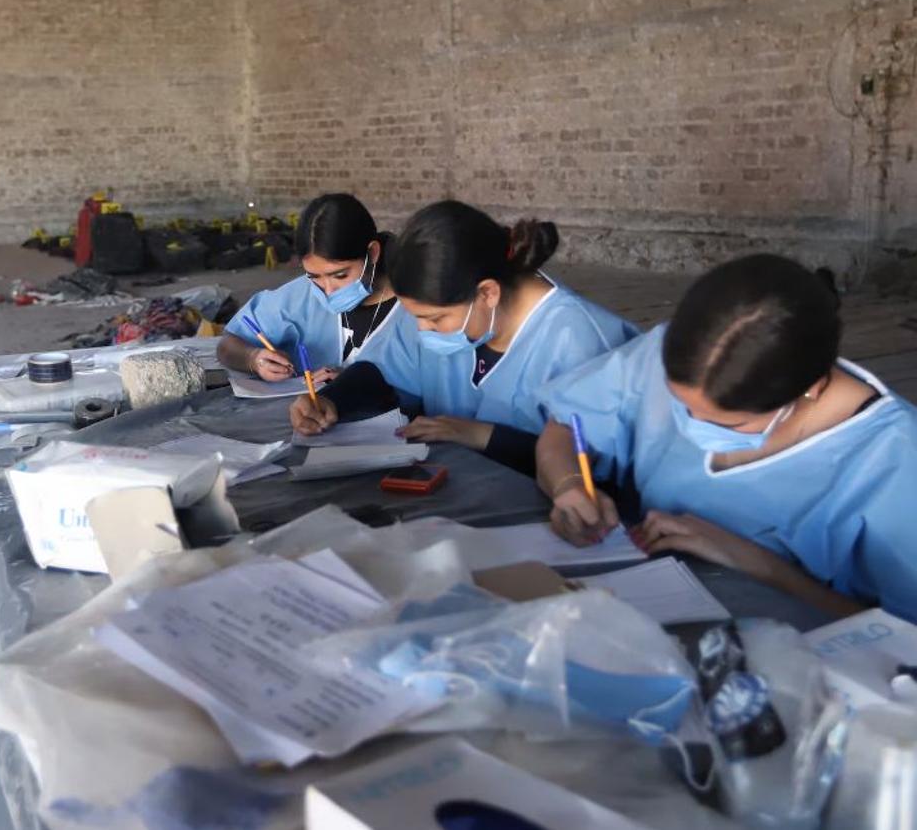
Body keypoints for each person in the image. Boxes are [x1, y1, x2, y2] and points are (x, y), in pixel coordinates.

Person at [535, 254, 917, 622]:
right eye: (678, 404)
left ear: (811, 389)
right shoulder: (677, 354)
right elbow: (565, 425)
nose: (691, 427)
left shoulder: (893, 462)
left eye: (728, 425)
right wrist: (568, 486)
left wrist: (760, 565)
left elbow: (903, 639)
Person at [290, 200, 638, 474]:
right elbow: (387, 371)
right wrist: (333, 400)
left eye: (434, 319)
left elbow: (591, 467)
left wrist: (478, 434)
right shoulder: (450, 312)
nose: (421, 330)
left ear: (486, 293)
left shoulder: (581, 340)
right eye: (416, 318)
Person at [217, 193, 401, 382]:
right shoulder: (300, 296)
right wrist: (253, 358)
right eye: (314, 276)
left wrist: (356, 387)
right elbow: (227, 345)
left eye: (340, 275)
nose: (328, 291)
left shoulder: (417, 304)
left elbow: (428, 387)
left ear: (372, 253)